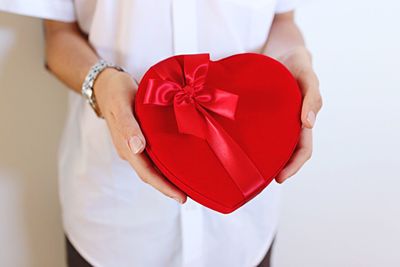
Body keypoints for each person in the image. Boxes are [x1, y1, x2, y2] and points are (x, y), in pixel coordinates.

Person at [0, 0, 322, 266]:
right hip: (113, 222)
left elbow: (282, 20)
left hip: (244, 226)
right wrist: (101, 82)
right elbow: (58, 35)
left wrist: (292, 61)